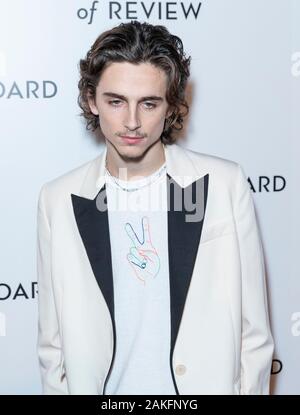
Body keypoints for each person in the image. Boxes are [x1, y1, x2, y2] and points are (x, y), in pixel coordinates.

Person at [36, 20, 274, 395]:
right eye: (116, 101)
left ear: (172, 106)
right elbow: (53, 347)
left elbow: (255, 336)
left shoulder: (224, 185)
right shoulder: (58, 198)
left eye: (149, 103)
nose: (132, 122)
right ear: (90, 100)